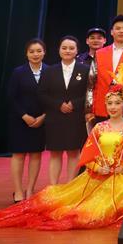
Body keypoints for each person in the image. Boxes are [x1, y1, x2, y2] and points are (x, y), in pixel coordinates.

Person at [0, 83, 123, 230]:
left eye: (117, 103)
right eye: (110, 103)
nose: (113, 107)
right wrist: (98, 168)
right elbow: (86, 156)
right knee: (75, 204)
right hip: (98, 176)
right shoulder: (98, 127)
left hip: (122, 175)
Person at [40, 36, 89, 185]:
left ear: (77, 51)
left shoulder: (85, 70)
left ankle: (70, 186)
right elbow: (42, 93)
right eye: (64, 48)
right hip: (55, 117)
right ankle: (53, 187)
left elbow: (90, 93)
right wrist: (58, 105)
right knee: (55, 153)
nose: (68, 51)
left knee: (74, 152)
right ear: (59, 50)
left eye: (71, 48)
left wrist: (74, 104)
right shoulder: (49, 71)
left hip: (76, 117)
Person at [7, 39, 47, 202]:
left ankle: (30, 190)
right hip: (20, 120)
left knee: (36, 155)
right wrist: (24, 116)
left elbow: (53, 97)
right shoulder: (18, 72)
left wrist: (43, 116)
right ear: (26, 54)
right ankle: (18, 191)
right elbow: (11, 97)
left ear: (44, 52)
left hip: (41, 120)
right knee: (19, 155)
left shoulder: (50, 71)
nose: (35, 54)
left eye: (39, 51)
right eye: (32, 51)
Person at [87, 15, 123, 124]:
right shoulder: (99, 53)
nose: (121, 31)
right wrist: (89, 108)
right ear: (112, 32)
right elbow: (91, 82)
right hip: (101, 107)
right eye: (118, 28)